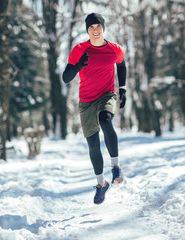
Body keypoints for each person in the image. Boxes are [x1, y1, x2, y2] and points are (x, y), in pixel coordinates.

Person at [62, 13, 127, 205]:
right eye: (91, 27)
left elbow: (122, 65)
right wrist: (78, 65)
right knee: (93, 145)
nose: (95, 30)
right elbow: (66, 77)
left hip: (106, 94)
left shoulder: (114, 49)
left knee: (106, 120)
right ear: (87, 30)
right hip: (86, 100)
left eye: (98, 26)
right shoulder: (80, 49)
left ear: (103, 28)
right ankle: (101, 184)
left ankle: (116, 167)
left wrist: (122, 89)